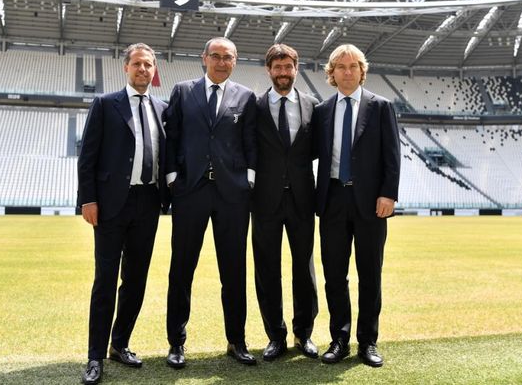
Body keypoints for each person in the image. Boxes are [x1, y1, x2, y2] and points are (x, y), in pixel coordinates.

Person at [77, 43, 169, 385]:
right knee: (105, 281)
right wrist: (88, 199)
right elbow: (87, 155)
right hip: (111, 204)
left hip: (148, 202)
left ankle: (120, 344)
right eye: (138, 64)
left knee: (136, 280)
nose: (144, 69)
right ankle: (95, 356)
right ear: (126, 68)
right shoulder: (105, 104)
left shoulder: (163, 108)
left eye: (149, 65)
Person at [164, 37, 258, 368]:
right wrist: (173, 177)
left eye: (227, 57)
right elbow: (171, 135)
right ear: (204, 58)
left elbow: (250, 142)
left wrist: (248, 179)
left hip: (232, 196)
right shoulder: (182, 91)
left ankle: (237, 340)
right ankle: (176, 344)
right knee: (181, 270)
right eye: (215, 56)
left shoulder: (246, 96)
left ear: (235, 61)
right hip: (190, 191)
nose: (221, 62)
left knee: (234, 271)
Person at [312, 44, 400, 367]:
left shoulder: (381, 107)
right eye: (340, 67)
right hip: (333, 199)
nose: (347, 72)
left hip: (371, 204)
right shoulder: (322, 111)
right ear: (331, 74)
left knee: (370, 275)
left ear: (362, 71)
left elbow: (392, 154)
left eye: (353, 66)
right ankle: (339, 339)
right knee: (334, 275)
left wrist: (388, 194)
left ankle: (368, 342)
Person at [251, 44, 319, 361]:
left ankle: (303, 334)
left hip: (303, 200)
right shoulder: (255, 106)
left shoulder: (312, 107)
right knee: (267, 270)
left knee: (304, 270)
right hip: (264, 201)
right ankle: (275, 336)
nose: (282, 72)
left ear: (296, 67)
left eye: (287, 66)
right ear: (269, 70)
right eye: (276, 67)